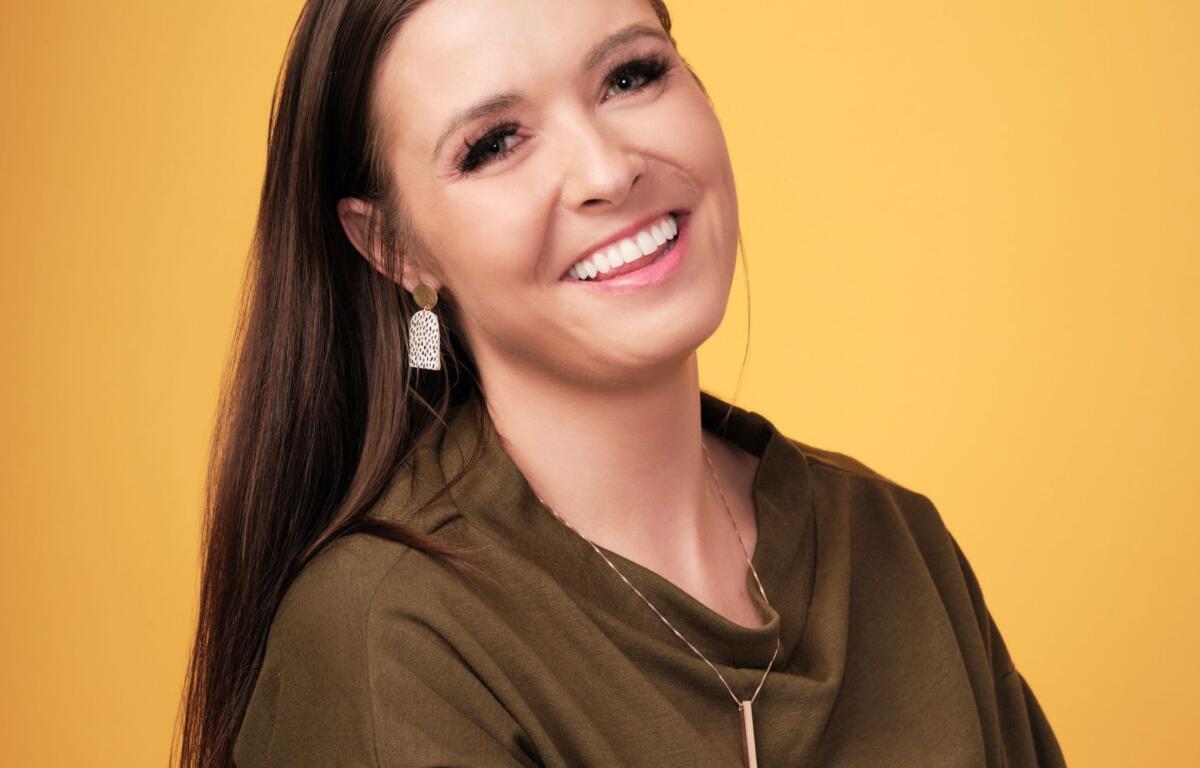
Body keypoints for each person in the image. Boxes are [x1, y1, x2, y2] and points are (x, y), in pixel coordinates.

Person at [173, 0, 1068, 766]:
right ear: (393, 247)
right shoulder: (390, 634)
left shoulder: (896, 542)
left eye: (631, 77)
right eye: (493, 144)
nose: (608, 171)